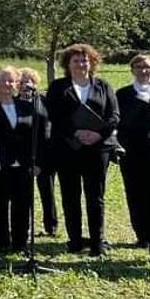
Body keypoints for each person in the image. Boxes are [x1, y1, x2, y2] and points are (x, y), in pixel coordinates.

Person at [46, 44, 119, 256]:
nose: (81, 64)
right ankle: (75, 241)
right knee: (70, 196)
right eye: (76, 61)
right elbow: (54, 116)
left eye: (85, 60)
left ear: (92, 62)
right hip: (68, 149)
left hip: (97, 150)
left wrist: (98, 134)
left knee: (96, 196)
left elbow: (114, 115)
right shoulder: (59, 87)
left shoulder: (103, 86)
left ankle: (97, 243)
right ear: (68, 65)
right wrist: (76, 133)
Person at [0, 67, 45, 253]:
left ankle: (20, 242)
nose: (7, 84)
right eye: (3, 80)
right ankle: (1, 242)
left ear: (17, 83)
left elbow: (38, 137)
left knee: (22, 205)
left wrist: (38, 163)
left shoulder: (28, 107)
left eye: (11, 80)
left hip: (24, 166)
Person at [116, 53, 150, 251]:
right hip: (132, 154)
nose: (143, 70)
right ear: (132, 70)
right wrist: (139, 105)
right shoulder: (123, 94)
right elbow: (121, 123)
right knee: (136, 194)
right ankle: (142, 235)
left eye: (147, 66)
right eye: (139, 67)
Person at [18, 67, 58, 235]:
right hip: (22, 156)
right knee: (23, 194)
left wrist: (42, 161)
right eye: (21, 81)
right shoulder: (12, 103)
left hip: (45, 154)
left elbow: (50, 128)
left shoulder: (44, 101)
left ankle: (51, 225)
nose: (25, 84)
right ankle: (23, 226)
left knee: (47, 192)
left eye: (29, 81)